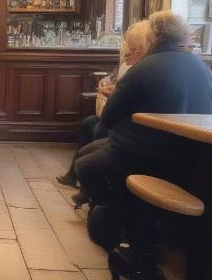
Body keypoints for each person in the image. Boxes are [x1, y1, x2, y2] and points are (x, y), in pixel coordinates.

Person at [75, 11, 212, 253]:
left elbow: (109, 116)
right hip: (191, 159)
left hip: (143, 151)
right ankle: (127, 212)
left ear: (154, 35)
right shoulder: (201, 67)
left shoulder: (145, 67)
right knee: (90, 150)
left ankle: (117, 211)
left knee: (84, 166)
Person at [57, 19, 153, 201]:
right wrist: (106, 83)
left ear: (146, 47)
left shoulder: (142, 71)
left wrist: (110, 94)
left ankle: (105, 205)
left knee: (96, 131)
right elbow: (113, 79)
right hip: (138, 133)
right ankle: (80, 182)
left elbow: (114, 109)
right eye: (128, 48)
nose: (126, 54)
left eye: (133, 50)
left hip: (136, 138)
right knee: (89, 124)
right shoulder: (134, 67)